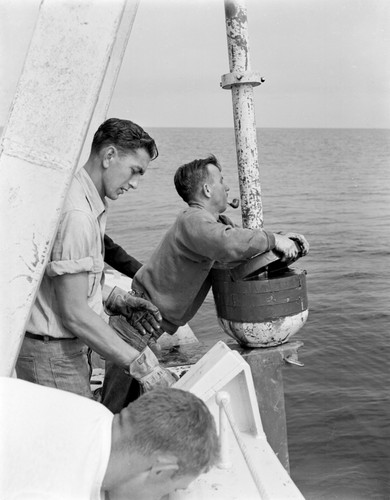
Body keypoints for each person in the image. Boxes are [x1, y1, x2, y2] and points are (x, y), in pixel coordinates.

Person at [101, 154, 309, 412]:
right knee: (114, 409)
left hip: (147, 328)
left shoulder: (212, 224)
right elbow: (229, 243)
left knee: (131, 406)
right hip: (135, 326)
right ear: (207, 189)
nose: (228, 186)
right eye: (222, 180)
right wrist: (273, 239)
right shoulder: (193, 220)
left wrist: (281, 240)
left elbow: (237, 245)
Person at [16, 118, 176, 399]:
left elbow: (60, 284)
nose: (136, 184)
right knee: (72, 442)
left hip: (57, 353)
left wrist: (116, 299)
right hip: (53, 358)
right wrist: (144, 367)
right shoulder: (77, 215)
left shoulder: (82, 200)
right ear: (109, 155)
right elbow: (74, 314)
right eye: (134, 171)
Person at [0, 377, 219, 500]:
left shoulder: (96, 414)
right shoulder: (59, 492)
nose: (164, 499)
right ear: (162, 468)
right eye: (167, 492)